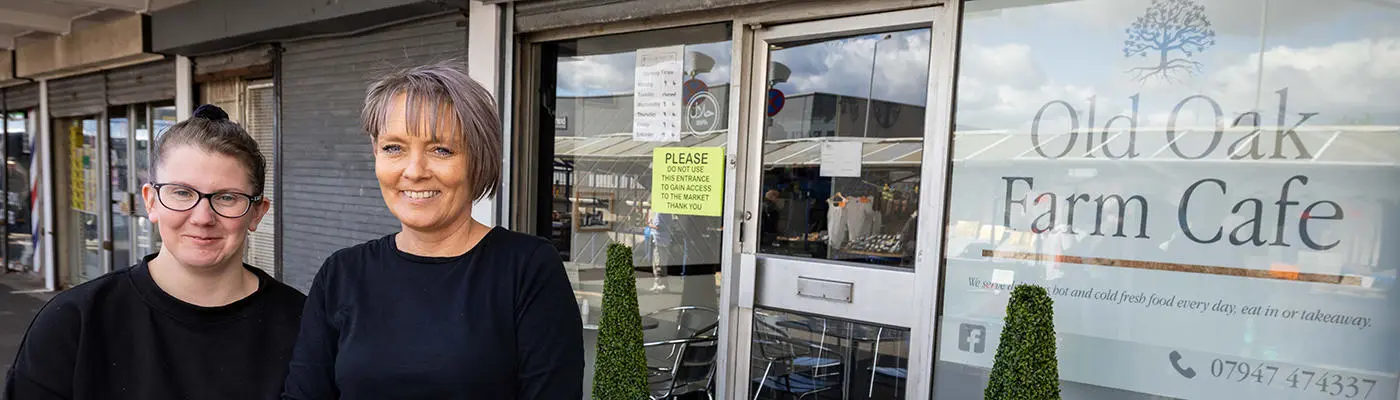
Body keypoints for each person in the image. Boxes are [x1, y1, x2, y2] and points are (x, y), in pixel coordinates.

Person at [282, 62, 583, 399]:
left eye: (441, 149)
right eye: (393, 148)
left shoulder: (527, 270)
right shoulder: (341, 274)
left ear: (478, 158)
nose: (414, 171)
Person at [3, 104, 306, 400]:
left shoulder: (304, 324)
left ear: (257, 213)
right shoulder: (74, 323)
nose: (202, 217)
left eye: (227, 197)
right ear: (150, 201)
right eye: (182, 193)